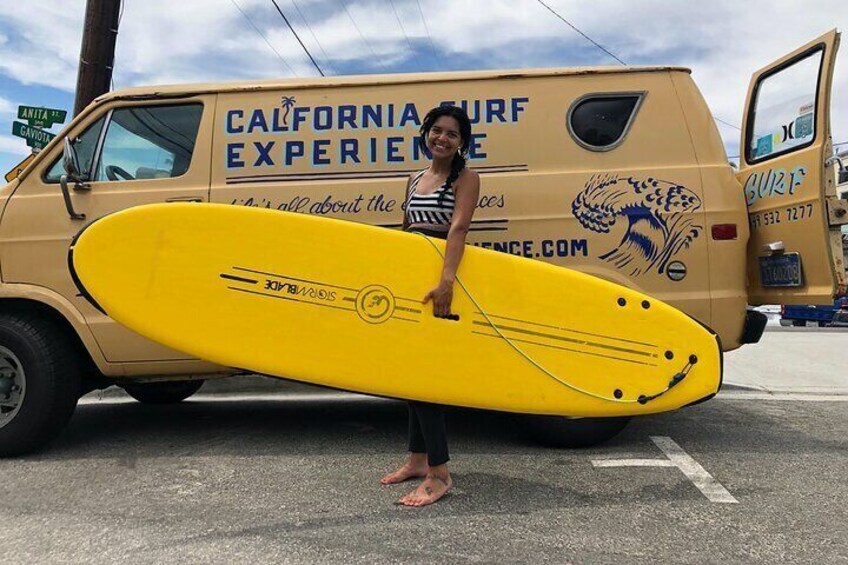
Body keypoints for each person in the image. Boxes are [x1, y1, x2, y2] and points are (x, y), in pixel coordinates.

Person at [379, 105, 480, 507]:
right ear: (426, 132)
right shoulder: (413, 178)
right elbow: (406, 231)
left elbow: (458, 228)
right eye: (436, 131)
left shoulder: (467, 179)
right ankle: (418, 461)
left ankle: (439, 474)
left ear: (462, 143)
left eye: (452, 134)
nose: (442, 138)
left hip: (440, 282)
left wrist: (446, 283)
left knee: (426, 378)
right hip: (412, 283)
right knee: (409, 374)